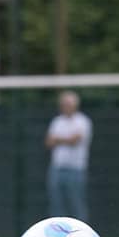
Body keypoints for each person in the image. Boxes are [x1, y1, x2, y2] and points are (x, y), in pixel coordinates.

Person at [45, 90, 93, 221]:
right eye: (63, 104)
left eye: (68, 104)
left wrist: (58, 140)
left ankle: (82, 236)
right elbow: (49, 142)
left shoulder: (82, 121)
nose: (65, 107)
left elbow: (75, 140)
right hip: (57, 168)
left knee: (77, 205)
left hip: (76, 169)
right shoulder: (57, 121)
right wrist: (66, 139)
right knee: (56, 206)